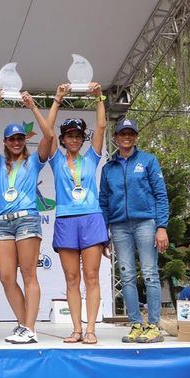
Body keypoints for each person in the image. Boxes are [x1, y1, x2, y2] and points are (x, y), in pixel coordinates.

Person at [0, 91, 54, 344]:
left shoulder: (34, 161)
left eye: (20, 138)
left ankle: (30, 328)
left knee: (28, 275)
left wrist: (33, 106)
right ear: (6, 142)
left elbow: (49, 136)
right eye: (12, 139)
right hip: (4, 222)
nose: (16, 142)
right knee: (6, 276)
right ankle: (23, 325)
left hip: (27, 219)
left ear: (25, 140)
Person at [45, 83, 108, 344]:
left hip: (91, 218)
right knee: (71, 278)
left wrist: (99, 98)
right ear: (62, 139)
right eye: (69, 135)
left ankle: (91, 329)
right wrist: (57, 99)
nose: (73, 139)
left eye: (77, 135)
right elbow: (46, 131)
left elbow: (102, 126)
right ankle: (76, 329)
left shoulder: (91, 157)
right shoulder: (56, 160)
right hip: (65, 220)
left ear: (83, 139)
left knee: (91, 277)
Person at [99, 118, 169, 343]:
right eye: (122, 133)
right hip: (119, 226)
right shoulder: (109, 168)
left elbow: (160, 195)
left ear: (136, 137)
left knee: (149, 273)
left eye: (131, 133)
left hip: (145, 223)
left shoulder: (148, 161)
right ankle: (136, 324)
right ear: (116, 138)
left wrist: (162, 227)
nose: (126, 137)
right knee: (127, 276)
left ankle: (154, 325)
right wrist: (103, 234)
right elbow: (104, 202)